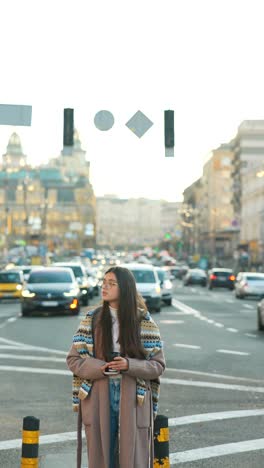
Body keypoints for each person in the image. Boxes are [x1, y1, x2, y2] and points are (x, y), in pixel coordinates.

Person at [66, 265, 166, 468]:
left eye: (112, 283)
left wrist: (129, 364)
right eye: (104, 282)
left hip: (133, 396)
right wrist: (99, 368)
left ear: (126, 288)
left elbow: (157, 365)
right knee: (102, 457)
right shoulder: (91, 319)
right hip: (98, 394)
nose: (105, 287)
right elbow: (73, 360)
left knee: (132, 457)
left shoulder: (142, 320)